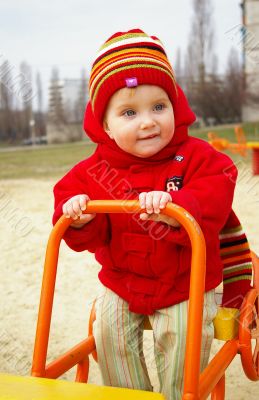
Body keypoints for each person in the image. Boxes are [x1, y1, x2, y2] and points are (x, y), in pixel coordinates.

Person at [52, 29, 249, 399]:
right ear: (105, 125)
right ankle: (130, 394)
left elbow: (220, 181)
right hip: (122, 280)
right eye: (129, 112)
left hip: (186, 281)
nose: (147, 122)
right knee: (107, 333)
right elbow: (66, 194)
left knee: (183, 335)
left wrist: (179, 209)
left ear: (176, 106)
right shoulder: (96, 169)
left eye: (159, 107)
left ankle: (180, 394)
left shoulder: (195, 156)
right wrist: (77, 214)